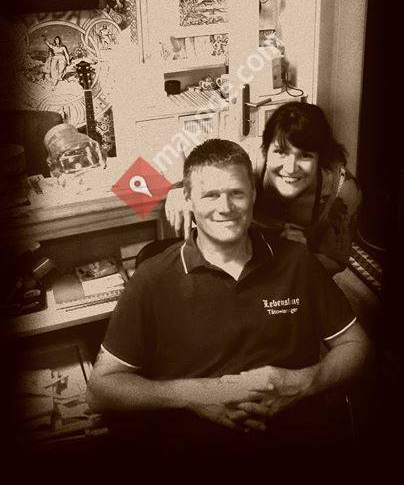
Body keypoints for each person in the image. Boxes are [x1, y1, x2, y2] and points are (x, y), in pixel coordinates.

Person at [87, 139, 369, 461]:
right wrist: (196, 394)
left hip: (296, 446)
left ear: (253, 195)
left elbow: (357, 345)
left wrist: (302, 383)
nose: (225, 207)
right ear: (188, 199)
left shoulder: (297, 262)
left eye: (237, 193)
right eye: (210, 195)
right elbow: (101, 390)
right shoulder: (152, 279)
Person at [165, 102, 361, 274]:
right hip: (242, 259)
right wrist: (179, 186)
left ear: (321, 159)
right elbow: (174, 142)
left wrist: (299, 255)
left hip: (297, 273)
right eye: (280, 152)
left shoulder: (343, 191)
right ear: (265, 151)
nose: (290, 168)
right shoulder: (245, 161)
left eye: (305, 156)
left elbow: (335, 262)